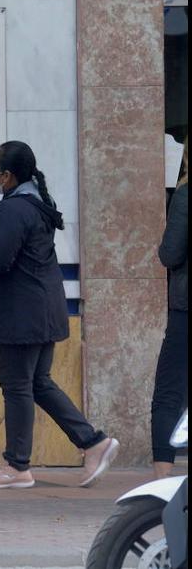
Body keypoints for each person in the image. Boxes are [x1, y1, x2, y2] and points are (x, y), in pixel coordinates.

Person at [0, 141, 118, 489]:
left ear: (8, 175)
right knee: (38, 384)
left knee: (18, 387)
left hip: (21, 315)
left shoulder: (14, 210)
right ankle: (93, 442)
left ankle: (17, 466)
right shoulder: (34, 205)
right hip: (41, 310)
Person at [152, 144, 187, 479]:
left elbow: (171, 253)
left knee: (169, 392)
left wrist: (160, 248)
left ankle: (163, 478)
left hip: (186, 309)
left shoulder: (186, 196)